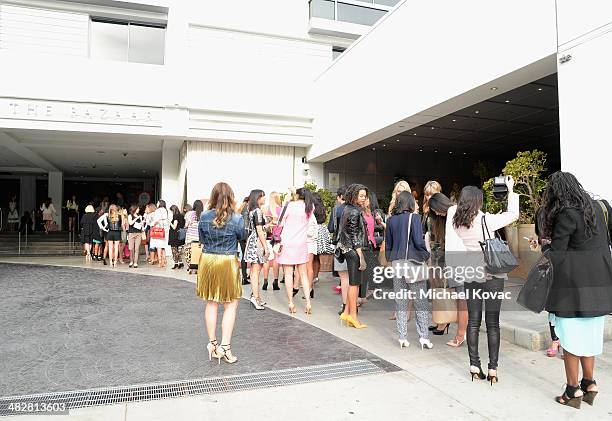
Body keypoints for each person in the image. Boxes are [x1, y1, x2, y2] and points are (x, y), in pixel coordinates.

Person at [539, 172, 612, 408]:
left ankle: (572, 391)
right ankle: (590, 383)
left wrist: (544, 247)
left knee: (570, 339)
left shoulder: (566, 213)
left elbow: (558, 254)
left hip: (572, 287)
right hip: (600, 284)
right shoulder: (600, 208)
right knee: (589, 336)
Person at [445, 178, 518, 384]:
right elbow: (513, 214)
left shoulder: (457, 222)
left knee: (474, 322)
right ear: (478, 201)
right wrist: (510, 191)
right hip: (492, 274)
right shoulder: (486, 220)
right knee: (493, 323)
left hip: (471, 273)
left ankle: (474, 365)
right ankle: (493, 369)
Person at [197, 182, 246, 364]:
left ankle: (212, 343)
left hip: (208, 260)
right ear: (231, 197)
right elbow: (241, 236)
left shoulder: (203, 216)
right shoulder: (237, 218)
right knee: (230, 305)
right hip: (227, 261)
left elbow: (201, 239)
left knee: (211, 303)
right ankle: (225, 347)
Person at [385, 191, 432, 349]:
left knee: (401, 302)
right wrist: (426, 254)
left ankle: (402, 337)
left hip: (397, 264)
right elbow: (419, 241)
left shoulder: (391, 220)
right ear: (410, 203)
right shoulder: (415, 218)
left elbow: (389, 245)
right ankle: (424, 337)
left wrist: (391, 259)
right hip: (413, 265)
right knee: (420, 302)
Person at [428, 193, 468, 345]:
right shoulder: (454, 213)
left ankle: (460, 335)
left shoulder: (453, 211)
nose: (436, 213)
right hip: (458, 262)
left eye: (435, 209)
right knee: (462, 299)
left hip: (460, 263)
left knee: (463, 300)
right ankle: (463, 333)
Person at [276, 187, 316, 314]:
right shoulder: (310, 207)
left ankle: (291, 303)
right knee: (303, 274)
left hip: (287, 243)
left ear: (297, 195)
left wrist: (287, 200)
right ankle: (308, 303)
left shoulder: (289, 206)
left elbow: (280, 223)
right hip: (301, 243)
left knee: (288, 274)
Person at [337, 184, 370, 328]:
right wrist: (360, 255)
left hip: (347, 249)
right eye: (361, 196)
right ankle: (353, 316)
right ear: (354, 195)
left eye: (364, 196)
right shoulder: (354, 211)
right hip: (353, 251)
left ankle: (347, 313)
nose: (364, 198)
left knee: (353, 283)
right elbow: (354, 235)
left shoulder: (347, 208)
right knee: (354, 283)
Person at [244, 190, 269, 310]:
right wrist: (265, 246)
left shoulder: (252, 211)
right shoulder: (258, 211)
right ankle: (255, 297)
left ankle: (256, 296)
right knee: (256, 271)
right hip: (258, 242)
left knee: (255, 270)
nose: (264, 198)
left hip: (253, 240)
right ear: (258, 198)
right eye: (263, 196)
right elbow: (259, 230)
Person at [328, 186, 349, 313]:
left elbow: (331, 228)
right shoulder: (356, 209)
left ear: (340, 197)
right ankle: (354, 306)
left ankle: (345, 305)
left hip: (340, 246)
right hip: (355, 247)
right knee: (354, 278)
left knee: (344, 277)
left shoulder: (336, 210)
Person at [361, 191, 383, 304]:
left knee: (371, 267)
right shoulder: (360, 213)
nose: (366, 200)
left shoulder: (370, 213)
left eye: (367, 198)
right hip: (363, 244)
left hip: (371, 244)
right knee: (364, 270)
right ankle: (361, 295)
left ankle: (368, 291)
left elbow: (373, 228)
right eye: (364, 198)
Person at [262, 191, 282, 290]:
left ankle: (265, 282)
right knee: (276, 260)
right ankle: (275, 282)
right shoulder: (281, 210)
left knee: (266, 259)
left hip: (267, 237)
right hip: (278, 238)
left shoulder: (265, 210)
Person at [184, 200, 203, 274]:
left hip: (190, 237)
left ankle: (190, 268)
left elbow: (186, 225)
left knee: (188, 252)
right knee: (198, 253)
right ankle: (198, 268)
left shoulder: (190, 213)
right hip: (199, 237)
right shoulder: (203, 215)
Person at [151, 200, 169, 268]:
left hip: (159, 230)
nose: (157, 203)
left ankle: (160, 262)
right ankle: (165, 261)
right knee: (163, 246)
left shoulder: (158, 211)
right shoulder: (165, 210)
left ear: (160, 203)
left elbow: (156, 220)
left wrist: (152, 224)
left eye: (158, 202)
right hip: (165, 230)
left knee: (158, 246)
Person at [237, 197, 250, 284]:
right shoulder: (247, 208)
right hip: (246, 234)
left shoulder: (240, 209)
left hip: (240, 234)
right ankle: (246, 277)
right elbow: (246, 224)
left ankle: (244, 277)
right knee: (247, 256)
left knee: (243, 256)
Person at [169, 205, 186, 269]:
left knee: (174, 249)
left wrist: (169, 222)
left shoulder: (175, 216)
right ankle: (180, 263)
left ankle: (176, 263)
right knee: (178, 250)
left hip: (175, 235)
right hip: (180, 234)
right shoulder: (182, 216)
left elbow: (174, 227)